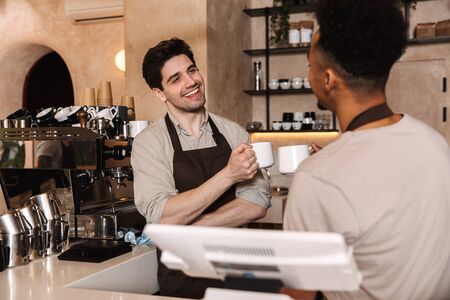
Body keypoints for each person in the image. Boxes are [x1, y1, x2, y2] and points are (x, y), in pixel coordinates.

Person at [283, 0, 450, 299]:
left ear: (328, 79)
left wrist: (330, 173)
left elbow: (299, 294)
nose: (309, 75)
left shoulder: (316, 178)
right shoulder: (435, 144)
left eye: (310, 66)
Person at [131, 38, 271, 299]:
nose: (191, 81)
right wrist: (229, 175)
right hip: (184, 281)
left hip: (238, 274)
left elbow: (256, 203)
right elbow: (163, 216)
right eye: (176, 79)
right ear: (160, 93)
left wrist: (190, 229)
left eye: (192, 70)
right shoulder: (149, 143)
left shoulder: (233, 132)